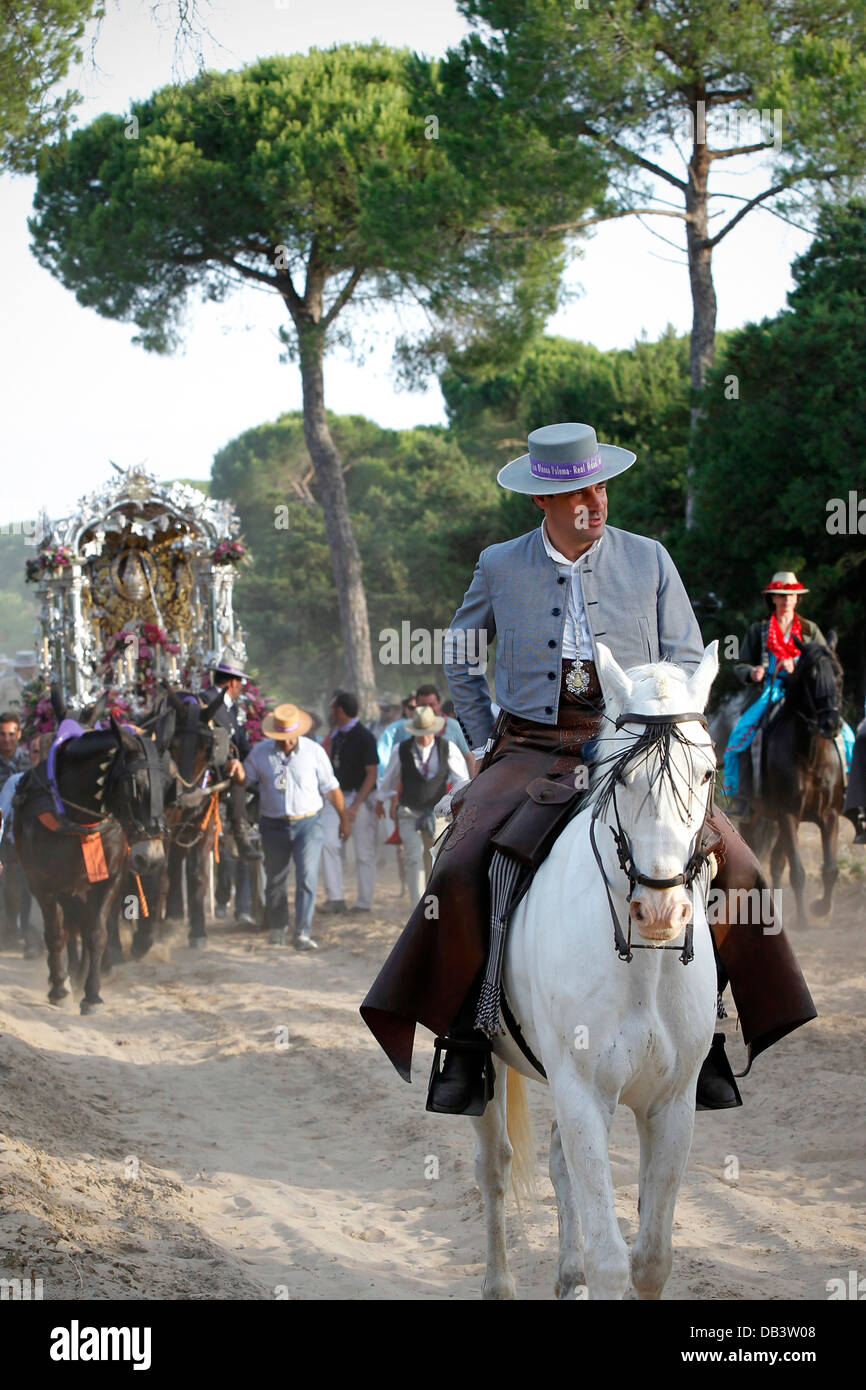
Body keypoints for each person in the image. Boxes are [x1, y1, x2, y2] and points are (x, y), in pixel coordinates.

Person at [361, 421, 816, 1116]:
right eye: (577, 491)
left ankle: (711, 1032)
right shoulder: (499, 565)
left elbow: (691, 656)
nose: (594, 501)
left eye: (599, 485)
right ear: (541, 503)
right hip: (532, 747)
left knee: (743, 867)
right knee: (458, 865)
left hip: (639, 743)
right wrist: (483, 740)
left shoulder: (651, 559)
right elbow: (459, 654)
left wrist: (665, 717)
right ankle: (467, 1037)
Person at [723, 573, 854, 817]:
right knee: (738, 737)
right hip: (769, 691)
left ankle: (849, 795)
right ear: (772, 598)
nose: (786, 600)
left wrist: (800, 667)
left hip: (804, 691)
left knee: (846, 735)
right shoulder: (758, 630)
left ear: (797, 599)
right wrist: (753, 671)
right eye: (781, 596)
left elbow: (826, 661)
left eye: (791, 596)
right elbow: (739, 664)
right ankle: (741, 796)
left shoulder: (810, 629)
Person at [235, 703, 348, 950]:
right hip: (273, 824)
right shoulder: (260, 753)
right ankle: (278, 927)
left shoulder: (314, 752)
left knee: (306, 878)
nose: (285, 742)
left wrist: (343, 818)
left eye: (289, 738)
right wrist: (236, 770)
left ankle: (302, 933)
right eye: (280, 738)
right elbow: (246, 778)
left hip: (308, 823)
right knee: (275, 878)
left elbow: (332, 788)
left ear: (297, 733)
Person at [376, 704, 469, 902]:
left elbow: (461, 780)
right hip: (409, 811)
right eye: (420, 733)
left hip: (437, 815)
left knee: (433, 858)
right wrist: (380, 800)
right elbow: (388, 779)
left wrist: (451, 800)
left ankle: (431, 903)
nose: (424, 737)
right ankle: (417, 904)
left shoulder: (448, 748)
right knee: (413, 856)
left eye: (427, 732)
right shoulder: (400, 750)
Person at [201, 654, 262, 865]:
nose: (241, 688)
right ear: (233, 682)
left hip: (234, 762)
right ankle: (240, 834)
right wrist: (230, 761)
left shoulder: (230, 707)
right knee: (237, 775)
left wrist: (261, 759)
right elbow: (208, 739)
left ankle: (245, 821)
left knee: (272, 783)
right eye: (241, 683)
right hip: (213, 766)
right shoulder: (206, 700)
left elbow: (242, 742)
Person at [321, 691, 379, 913]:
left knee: (363, 852)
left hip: (358, 798)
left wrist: (356, 804)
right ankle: (335, 898)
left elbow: (371, 774)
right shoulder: (335, 736)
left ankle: (364, 902)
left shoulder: (364, 736)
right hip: (335, 796)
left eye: (332, 708)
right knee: (329, 842)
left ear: (340, 710)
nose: (330, 712)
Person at [394, 684, 476, 778]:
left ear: (439, 704)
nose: (428, 709)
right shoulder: (404, 729)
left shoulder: (454, 727)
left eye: (431, 705)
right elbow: (397, 763)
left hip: (450, 789)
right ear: (417, 705)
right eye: (423, 705)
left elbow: (470, 758)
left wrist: (472, 784)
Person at [0, 712, 33, 944]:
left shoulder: (28, 762)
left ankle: (25, 929)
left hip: (23, 833)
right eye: (2, 734)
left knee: (24, 881)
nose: (7, 739)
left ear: (19, 734)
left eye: (11, 734)